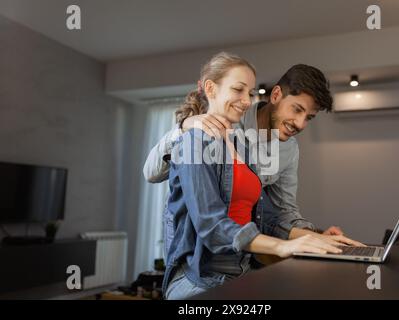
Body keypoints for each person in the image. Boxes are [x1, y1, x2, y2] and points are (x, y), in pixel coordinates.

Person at [162, 52, 344, 300]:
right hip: (200, 278)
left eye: (249, 93)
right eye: (238, 90)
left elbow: (268, 217)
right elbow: (211, 226)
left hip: (243, 270)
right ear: (211, 89)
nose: (246, 101)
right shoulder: (192, 142)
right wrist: (283, 247)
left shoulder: (245, 146)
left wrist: (318, 239)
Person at [144, 57, 364, 252]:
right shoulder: (226, 121)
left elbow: (283, 211)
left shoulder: (289, 149)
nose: (300, 123)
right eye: (297, 109)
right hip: (198, 256)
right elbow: (152, 173)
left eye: (309, 117)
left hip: (241, 255)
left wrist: (314, 236)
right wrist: (184, 127)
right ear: (276, 94)